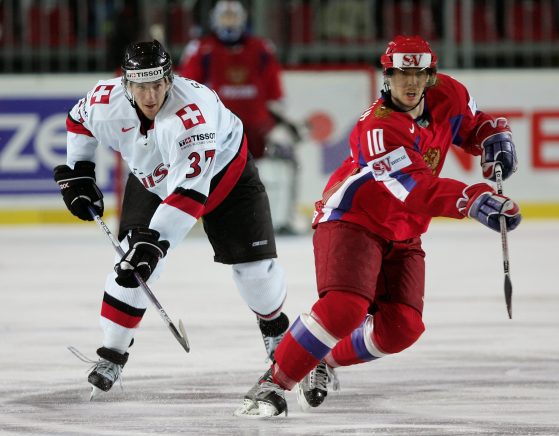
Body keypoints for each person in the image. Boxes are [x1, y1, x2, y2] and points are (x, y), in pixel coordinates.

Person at [234, 35, 521, 418]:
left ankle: (321, 359)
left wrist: (492, 137)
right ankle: (271, 384)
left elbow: (470, 125)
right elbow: (414, 187)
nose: (411, 82)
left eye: (419, 73)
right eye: (402, 73)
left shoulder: (450, 94)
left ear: (432, 76)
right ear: (387, 75)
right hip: (353, 218)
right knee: (345, 308)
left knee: (402, 327)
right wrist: (471, 199)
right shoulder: (379, 128)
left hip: (403, 230)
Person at [54, 40, 290, 398]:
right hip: (152, 177)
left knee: (255, 270)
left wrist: (156, 243)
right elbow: (78, 121)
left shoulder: (192, 114)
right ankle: (111, 354)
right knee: (131, 264)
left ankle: (275, 329)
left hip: (226, 179)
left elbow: (190, 195)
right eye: (140, 86)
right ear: (125, 85)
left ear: (170, 79)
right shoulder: (106, 101)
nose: (150, 96)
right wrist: (82, 171)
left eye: (158, 84)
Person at [178, 0, 302, 234]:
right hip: (218, 129)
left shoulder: (261, 48)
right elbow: (187, 90)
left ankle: (285, 216)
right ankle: (189, 215)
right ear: (215, 20)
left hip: (259, 128)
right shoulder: (201, 48)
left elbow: (275, 94)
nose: (229, 23)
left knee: (288, 157)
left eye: (233, 18)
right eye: (225, 18)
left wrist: (282, 122)